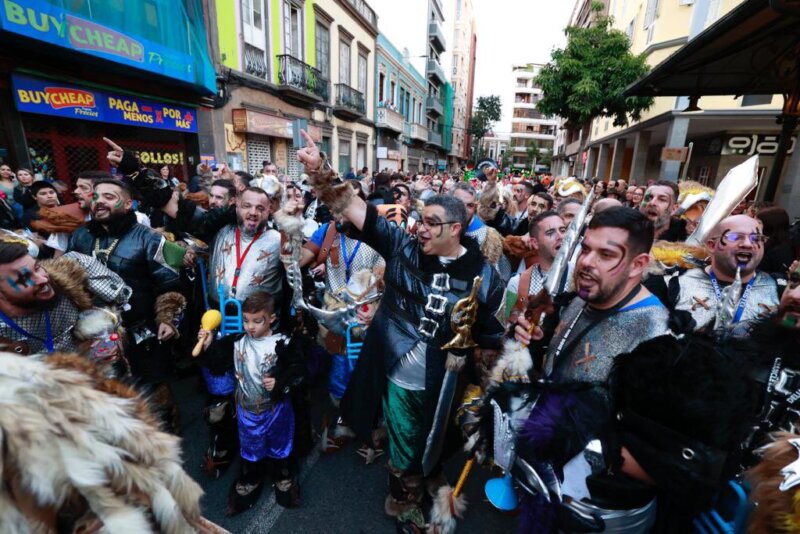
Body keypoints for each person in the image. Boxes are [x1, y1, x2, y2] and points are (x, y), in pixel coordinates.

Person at [297, 130, 506, 531]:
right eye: (419, 220)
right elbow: (354, 208)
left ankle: (425, 473)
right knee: (404, 439)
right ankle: (402, 496)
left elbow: (491, 338)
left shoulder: (485, 276)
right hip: (397, 372)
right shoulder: (402, 247)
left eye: (431, 223)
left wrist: (487, 389)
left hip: (446, 381)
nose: (420, 229)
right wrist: (321, 170)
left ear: (456, 229)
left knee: (437, 439)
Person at [68, 178, 187, 430]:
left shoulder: (149, 238)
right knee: (110, 390)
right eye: (97, 196)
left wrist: (167, 318)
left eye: (109, 196)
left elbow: (171, 284)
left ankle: (167, 433)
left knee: (154, 388)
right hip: (94, 333)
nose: (100, 201)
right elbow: (68, 282)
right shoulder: (80, 235)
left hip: (141, 329)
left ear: (128, 203)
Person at [515, 207, 670, 384]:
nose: (586, 262)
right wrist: (533, 341)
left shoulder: (657, 334)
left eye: (606, 254)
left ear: (637, 265)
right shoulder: (582, 298)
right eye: (586, 249)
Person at [201, 291, 306, 514]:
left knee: (280, 444)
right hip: (247, 411)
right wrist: (209, 344)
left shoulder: (283, 343)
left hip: (276, 409)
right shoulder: (237, 342)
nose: (250, 327)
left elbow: (299, 372)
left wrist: (280, 382)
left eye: (257, 321)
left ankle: (283, 474)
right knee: (250, 446)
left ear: (271, 318)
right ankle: (252, 477)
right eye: (246, 320)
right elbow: (216, 365)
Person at [0, 239, 130, 358]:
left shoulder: (70, 274)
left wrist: (106, 332)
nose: (43, 279)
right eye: (24, 279)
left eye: (37, 267)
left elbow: (119, 302)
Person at [670, 214, 779, 333]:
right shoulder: (675, 284)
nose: (748, 244)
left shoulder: (779, 289)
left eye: (756, 238)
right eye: (736, 237)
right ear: (712, 246)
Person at [504, 211, 567, 323]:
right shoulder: (517, 283)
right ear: (535, 243)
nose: (560, 236)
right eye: (550, 232)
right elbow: (506, 327)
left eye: (563, 230)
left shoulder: (580, 275)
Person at [451, 182, 510, 280]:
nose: (464, 209)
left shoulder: (488, 237)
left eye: (469, 205)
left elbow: (495, 278)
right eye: (459, 203)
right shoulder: (437, 228)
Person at [757, 206, 796, 276]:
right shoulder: (763, 241)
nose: (755, 225)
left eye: (759, 222)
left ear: (770, 224)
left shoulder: (781, 250)